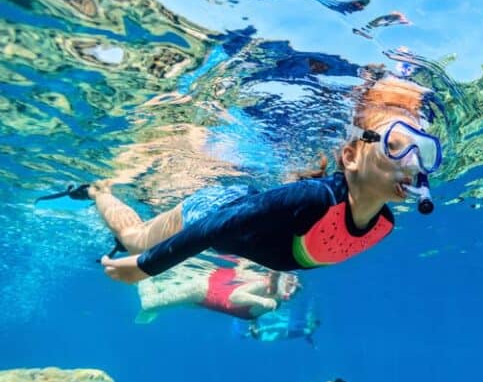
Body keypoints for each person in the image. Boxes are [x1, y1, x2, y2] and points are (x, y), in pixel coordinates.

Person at [71, 75, 443, 283]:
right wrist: (146, 266)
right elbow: (217, 225)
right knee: (134, 239)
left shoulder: (384, 224)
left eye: (421, 152)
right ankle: (99, 190)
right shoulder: (311, 198)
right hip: (213, 209)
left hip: (238, 227)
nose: (412, 163)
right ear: (350, 156)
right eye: (395, 146)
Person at [135, 256, 300, 323]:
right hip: (201, 290)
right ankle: (141, 274)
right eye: (290, 285)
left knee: (176, 297)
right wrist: (262, 301)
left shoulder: (274, 304)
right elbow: (235, 297)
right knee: (148, 304)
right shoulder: (263, 287)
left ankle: (159, 285)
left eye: (294, 290)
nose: (292, 291)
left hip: (204, 300)